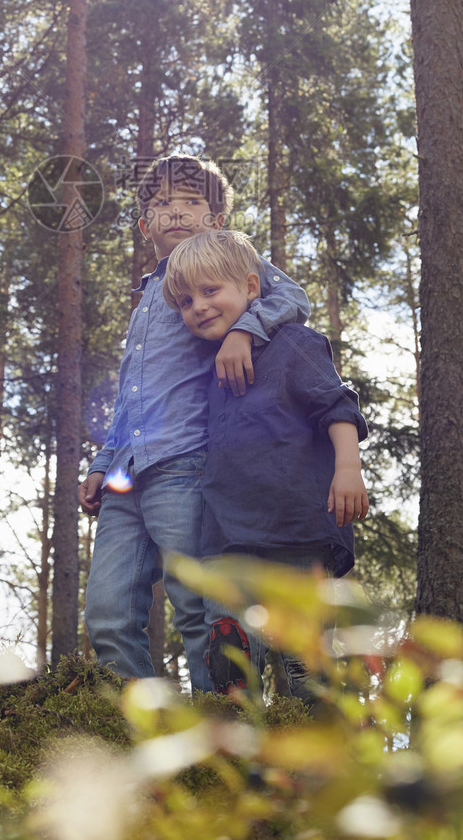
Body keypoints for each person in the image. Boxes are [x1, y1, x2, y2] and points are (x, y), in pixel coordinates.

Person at [79, 155, 309, 692]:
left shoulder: (222, 274)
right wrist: (101, 462)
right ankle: (142, 730)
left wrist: (243, 332)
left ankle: (223, 733)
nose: (175, 212)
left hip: (185, 463)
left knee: (197, 606)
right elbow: (130, 398)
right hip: (123, 477)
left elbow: (292, 298)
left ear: (217, 221)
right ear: (145, 226)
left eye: (191, 201)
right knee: (108, 614)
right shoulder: (150, 299)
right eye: (160, 204)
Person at [162, 227, 369, 698]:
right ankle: (238, 759)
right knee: (229, 659)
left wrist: (347, 469)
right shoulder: (206, 367)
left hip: (297, 528)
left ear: (252, 288)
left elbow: (337, 406)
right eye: (186, 301)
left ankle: (316, 763)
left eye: (210, 291)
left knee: (305, 665)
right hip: (226, 538)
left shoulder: (293, 342)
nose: (198, 307)